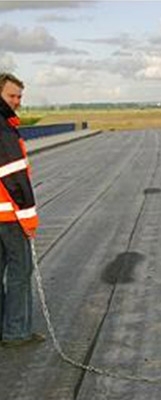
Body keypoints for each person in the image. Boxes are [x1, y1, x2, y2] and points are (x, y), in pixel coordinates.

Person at [0, 73, 44, 347]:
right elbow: (15, 178)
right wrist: (29, 219)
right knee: (20, 271)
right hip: (8, 215)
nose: (16, 102)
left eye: (19, 97)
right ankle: (16, 332)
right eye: (11, 96)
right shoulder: (4, 129)